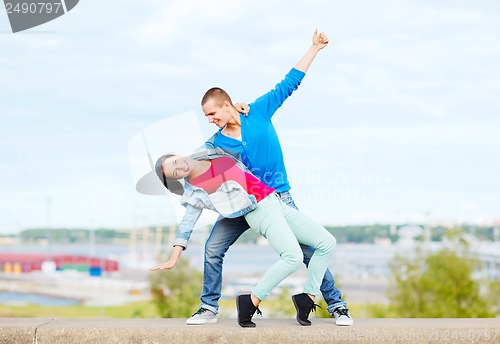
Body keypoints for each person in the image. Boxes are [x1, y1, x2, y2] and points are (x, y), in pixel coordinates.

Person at [193, 29, 353, 326]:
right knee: (213, 248)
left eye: (213, 113)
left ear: (227, 105)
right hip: (242, 203)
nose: (211, 120)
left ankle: (336, 304)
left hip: (278, 197)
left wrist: (314, 48)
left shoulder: (259, 111)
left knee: (310, 250)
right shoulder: (216, 144)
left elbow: (289, 83)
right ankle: (208, 308)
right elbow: (191, 164)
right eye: (207, 117)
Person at [150, 149, 337, 327]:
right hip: (258, 210)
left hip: (273, 199)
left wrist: (242, 113)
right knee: (293, 257)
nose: (180, 168)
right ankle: (251, 301)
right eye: (176, 173)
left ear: (177, 154)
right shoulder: (193, 192)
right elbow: (186, 224)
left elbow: (233, 132)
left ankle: (308, 298)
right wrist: (174, 257)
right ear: (178, 179)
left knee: (327, 243)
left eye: (175, 162)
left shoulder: (210, 152)